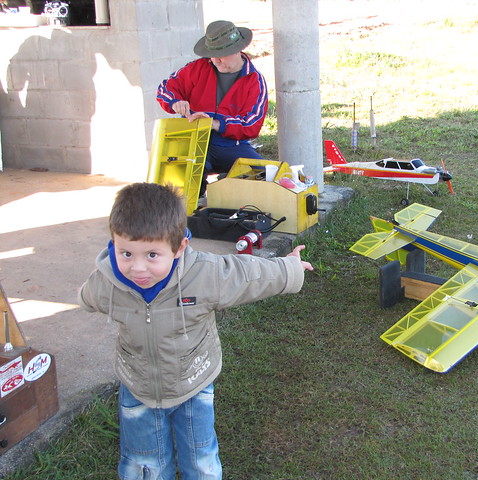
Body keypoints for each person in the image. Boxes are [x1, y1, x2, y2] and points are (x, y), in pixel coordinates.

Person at [78, 182, 313, 479]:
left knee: (201, 461)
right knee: (143, 464)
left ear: (179, 248)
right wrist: (85, 296)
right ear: (113, 243)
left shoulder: (204, 274)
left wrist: (288, 269)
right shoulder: (108, 281)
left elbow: (247, 276)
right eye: (126, 253)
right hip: (138, 386)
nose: (137, 268)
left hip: (193, 382)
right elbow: (90, 295)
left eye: (152, 255)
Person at [157, 20, 268, 194]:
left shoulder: (254, 80)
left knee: (265, 176)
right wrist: (174, 102)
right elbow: (166, 88)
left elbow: (251, 124)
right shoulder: (197, 68)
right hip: (195, 138)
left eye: (222, 54)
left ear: (238, 49)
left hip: (232, 145)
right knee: (183, 183)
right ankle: (190, 213)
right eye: (212, 54)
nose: (216, 60)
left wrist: (216, 123)